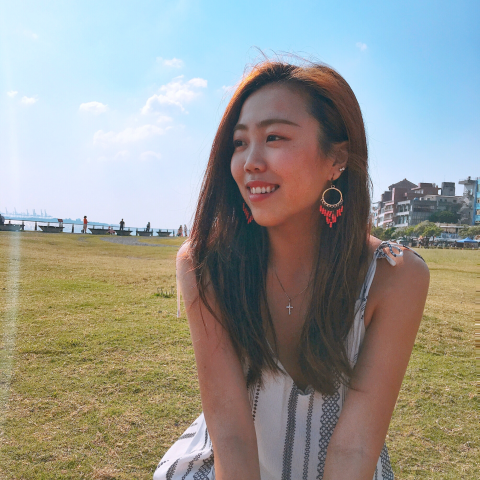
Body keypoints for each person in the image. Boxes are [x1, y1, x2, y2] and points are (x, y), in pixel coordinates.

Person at [153, 60, 429, 480]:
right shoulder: (206, 264)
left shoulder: (395, 276)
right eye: (239, 142)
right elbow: (230, 436)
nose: (250, 162)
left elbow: (354, 449)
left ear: (337, 158)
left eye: (274, 137)